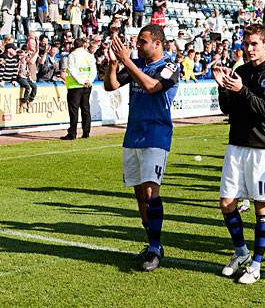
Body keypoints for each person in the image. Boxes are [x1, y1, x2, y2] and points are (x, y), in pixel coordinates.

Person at [213, 24, 265, 285]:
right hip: (237, 145)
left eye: (254, 43)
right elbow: (227, 108)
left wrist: (241, 90)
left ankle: (256, 263)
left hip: (263, 149)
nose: (248, 47)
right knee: (226, 202)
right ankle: (241, 252)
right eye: (246, 43)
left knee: (261, 207)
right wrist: (223, 86)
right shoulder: (241, 71)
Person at [104, 25, 179, 272]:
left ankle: (156, 248)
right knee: (139, 194)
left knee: (150, 192)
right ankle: (151, 243)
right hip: (133, 135)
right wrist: (114, 64)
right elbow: (111, 86)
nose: (137, 46)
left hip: (156, 134)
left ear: (157, 43)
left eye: (142, 42)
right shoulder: (136, 63)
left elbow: (152, 87)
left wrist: (127, 61)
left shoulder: (170, 66)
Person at [62, 38, 97, 140]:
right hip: (87, 85)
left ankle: (72, 133)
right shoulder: (89, 55)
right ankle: (86, 132)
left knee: (74, 111)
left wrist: (81, 81)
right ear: (83, 45)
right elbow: (93, 70)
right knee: (85, 109)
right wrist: (89, 81)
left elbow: (72, 71)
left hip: (75, 86)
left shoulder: (72, 55)